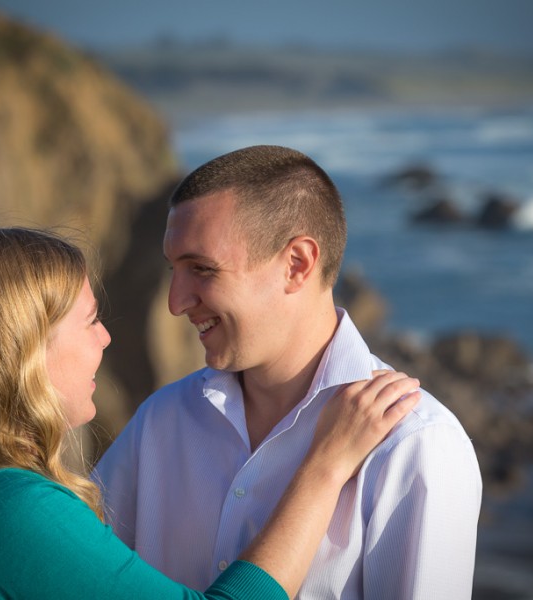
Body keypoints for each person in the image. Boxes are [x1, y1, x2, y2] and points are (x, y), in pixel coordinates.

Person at [0, 226, 421, 600]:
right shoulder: (2, 507)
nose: (106, 340)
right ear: (22, 347)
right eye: (90, 320)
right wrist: (325, 465)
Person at [94, 145, 483, 599]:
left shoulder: (416, 446)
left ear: (297, 264)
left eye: (201, 269)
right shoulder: (161, 421)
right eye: (174, 270)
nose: (175, 302)